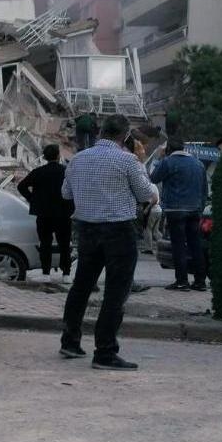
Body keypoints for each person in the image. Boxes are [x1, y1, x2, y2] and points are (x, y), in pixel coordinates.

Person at [60, 115, 158, 371]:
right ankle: (105, 351)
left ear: (101, 132)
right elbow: (146, 194)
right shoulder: (128, 161)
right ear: (125, 135)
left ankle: (70, 341)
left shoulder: (78, 159)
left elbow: (65, 193)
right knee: (116, 292)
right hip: (118, 230)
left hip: (86, 229)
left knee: (81, 286)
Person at [150, 138, 209, 291]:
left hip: (175, 210)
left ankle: (182, 281)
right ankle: (200, 281)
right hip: (195, 210)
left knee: (178, 246)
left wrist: (159, 157)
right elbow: (204, 190)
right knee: (195, 245)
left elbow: (153, 178)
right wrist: (200, 208)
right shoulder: (198, 164)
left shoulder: (168, 162)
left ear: (168, 149)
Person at [18, 144, 75, 283]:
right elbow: (76, 189)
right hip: (63, 214)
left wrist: (32, 199)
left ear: (44, 157)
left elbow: (21, 186)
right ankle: (66, 273)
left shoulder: (38, 172)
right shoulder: (66, 171)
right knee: (64, 244)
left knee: (45, 244)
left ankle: (46, 273)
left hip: (44, 214)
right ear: (58, 156)